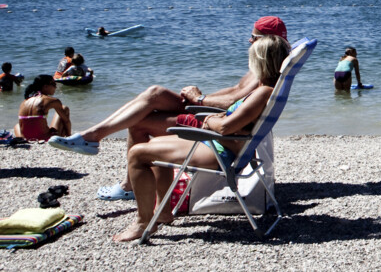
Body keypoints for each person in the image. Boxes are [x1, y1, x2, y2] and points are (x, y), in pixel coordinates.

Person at [47, 16, 288, 200]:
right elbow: (235, 92)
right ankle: (93, 138)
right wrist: (199, 98)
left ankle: (125, 179)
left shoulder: (263, 82)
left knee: (141, 120)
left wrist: (200, 99)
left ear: (265, 43)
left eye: (254, 38)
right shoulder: (265, 71)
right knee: (154, 94)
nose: (249, 41)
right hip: (212, 115)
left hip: (214, 124)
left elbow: (231, 103)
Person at [113, 34, 290, 242]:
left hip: (219, 151)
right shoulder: (267, 90)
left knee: (137, 153)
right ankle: (162, 211)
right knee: (152, 144)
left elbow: (224, 127)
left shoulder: (263, 93)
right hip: (223, 145)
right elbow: (232, 123)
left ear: (260, 61)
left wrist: (210, 121)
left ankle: (143, 223)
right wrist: (217, 119)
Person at [14, 75, 71, 141]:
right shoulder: (53, 101)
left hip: (26, 138)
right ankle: (69, 138)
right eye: (54, 84)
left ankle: (25, 138)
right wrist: (69, 135)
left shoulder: (25, 101)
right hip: (44, 138)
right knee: (64, 108)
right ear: (45, 86)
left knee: (17, 125)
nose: (55, 87)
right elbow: (66, 121)